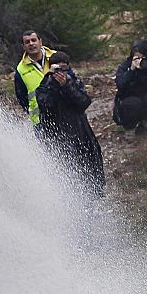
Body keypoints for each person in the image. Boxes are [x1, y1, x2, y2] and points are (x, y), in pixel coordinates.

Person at [34, 53, 105, 196]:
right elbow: (46, 106)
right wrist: (54, 86)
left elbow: (84, 102)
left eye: (64, 68)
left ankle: (93, 195)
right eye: (57, 69)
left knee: (88, 170)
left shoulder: (74, 82)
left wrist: (67, 87)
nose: (61, 73)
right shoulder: (44, 85)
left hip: (80, 133)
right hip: (57, 137)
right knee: (64, 174)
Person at [113, 39, 147, 132]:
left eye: (141, 56)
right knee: (133, 103)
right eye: (136, 56)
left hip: (146, 95)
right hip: (129, 97)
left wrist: (144, 73)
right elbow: (120, 84)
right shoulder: (125, 66)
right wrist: (131, 71)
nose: (139, 60)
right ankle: (130, 126)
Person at [12, 29, 59, 126]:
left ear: (40, 42)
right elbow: (22, 97)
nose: (31, 44)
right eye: (27, 42)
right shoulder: (21, 70)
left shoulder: (57, 57)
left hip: (63, 115)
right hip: (40, 121)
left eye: (34, 40)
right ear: (23, 46)